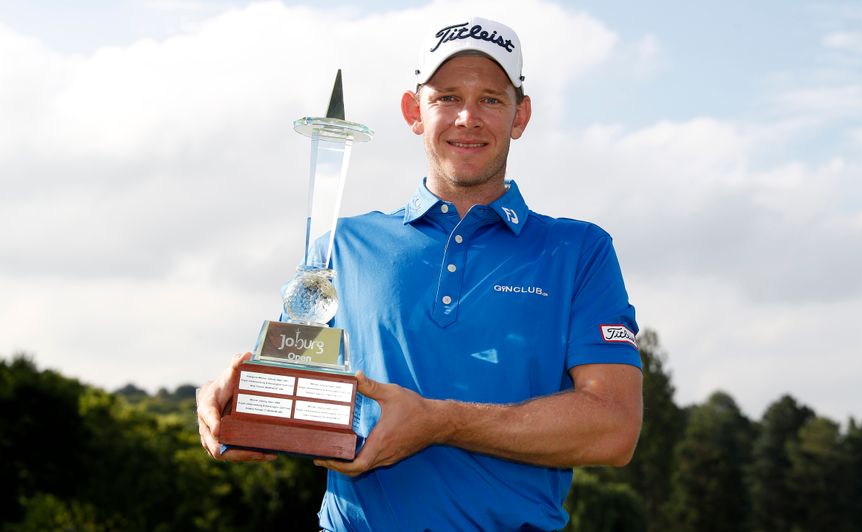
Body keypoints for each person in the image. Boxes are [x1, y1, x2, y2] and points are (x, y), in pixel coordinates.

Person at [197, 16, 643, 530]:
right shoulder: (342, 246)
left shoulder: (578, 249)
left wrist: (439, 422)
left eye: (492, 100)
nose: (467, 118)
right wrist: (228, 398)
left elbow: (613, 429)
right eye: (447, 97)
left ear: (521, 116)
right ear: (414, 111)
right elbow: (287, 379)